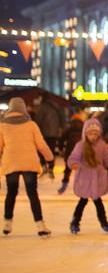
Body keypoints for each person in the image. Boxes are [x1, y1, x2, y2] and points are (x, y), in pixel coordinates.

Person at [0, 97, 54, 237]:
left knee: (11, 193)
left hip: (10, 162)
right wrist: (50, 159)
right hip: (29, 163)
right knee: (32, 194)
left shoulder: (2, 125)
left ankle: (7, 223)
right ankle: (40, 225)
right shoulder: (31, 125)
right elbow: (41, 145)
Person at [67, 118, 108, 234]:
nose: (93, 136)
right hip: (84, 178)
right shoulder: (81, 145)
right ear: (85, 133)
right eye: (90, 134)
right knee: (82, 202)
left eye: (95, 134)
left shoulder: (102, 145)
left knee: (98, 203)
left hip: (97, 178)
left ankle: (104, 222)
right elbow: (73, 158)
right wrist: (74, 164)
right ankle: (75, 222)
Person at [32, 94, 62, 178]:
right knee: (51, 151)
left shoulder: (42, 107)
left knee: (41, 149)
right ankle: (51, 168)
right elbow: (61, 118)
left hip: (44, 133)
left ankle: (44, 166)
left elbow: (38, 120)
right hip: (54, 133)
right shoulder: (56, 107)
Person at [58, 109, 85, 194]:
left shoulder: (69, 129)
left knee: (67, 169)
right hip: (81, 152)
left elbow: (61, 139)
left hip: (70, 151)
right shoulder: (84, 129)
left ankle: (64, 186)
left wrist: (60, 149)